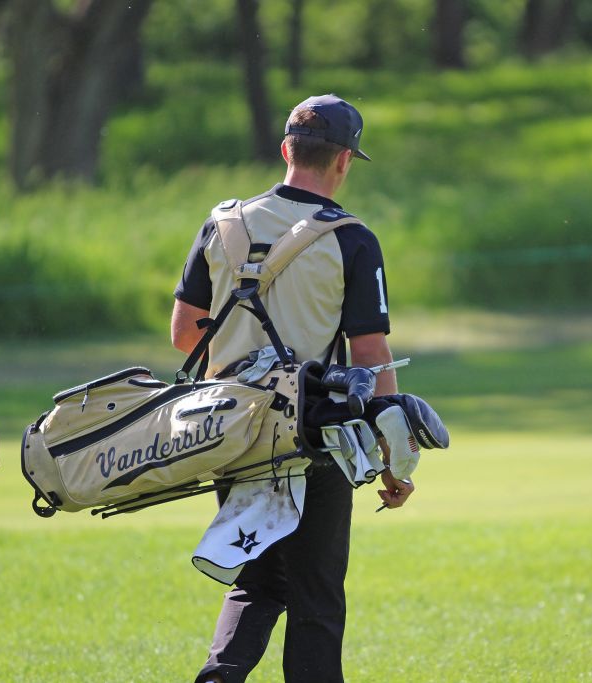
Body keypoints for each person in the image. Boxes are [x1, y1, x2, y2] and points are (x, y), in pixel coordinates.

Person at [172, 94, 413, 683]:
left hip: (229, 430)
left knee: (258, 581)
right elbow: (371, 356)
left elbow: (184, 335)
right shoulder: (353, 240)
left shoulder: (222, 221)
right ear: (344, 162)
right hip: (315, 435)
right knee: (316, 596)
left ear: (286, 150)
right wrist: (395, 457)